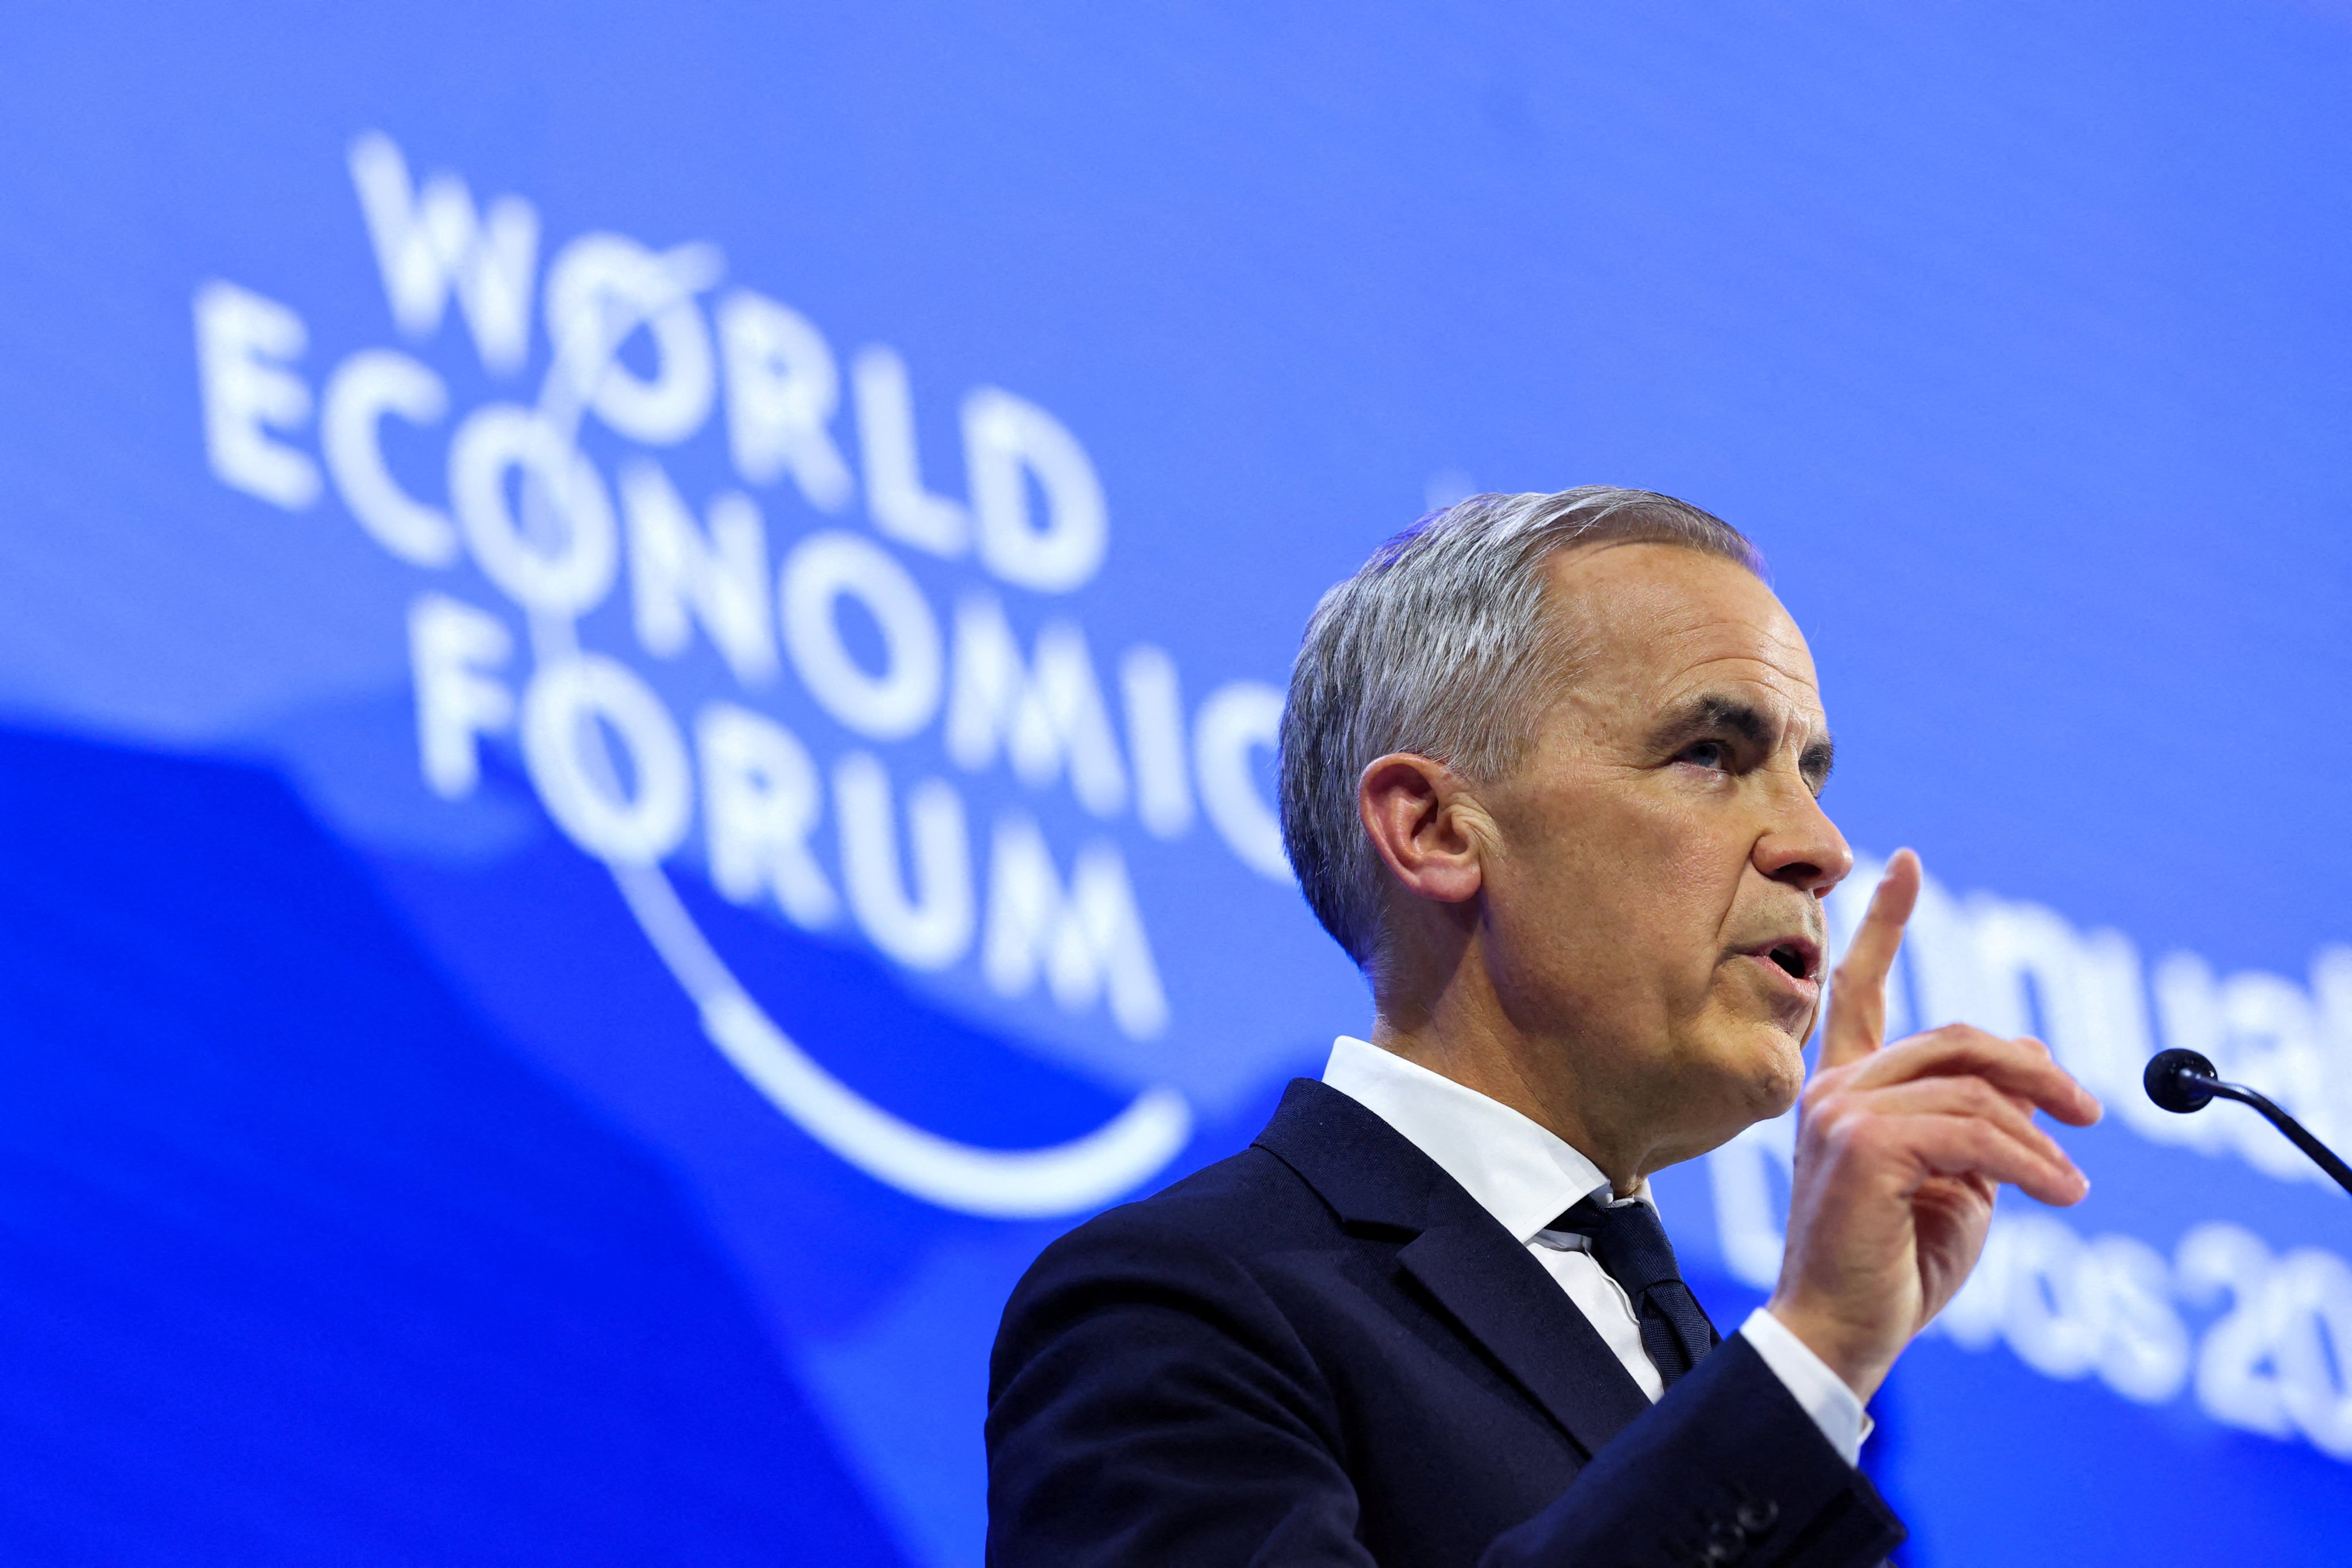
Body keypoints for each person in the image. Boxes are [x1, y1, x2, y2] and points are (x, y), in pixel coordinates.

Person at [985, 488, 2102, 1566]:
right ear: (1431, 830)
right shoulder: (1182, 1304)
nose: (1819, 843)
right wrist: (1811, 1356)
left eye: (1806, 771)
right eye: (1708, 754)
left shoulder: (1700, 1366)